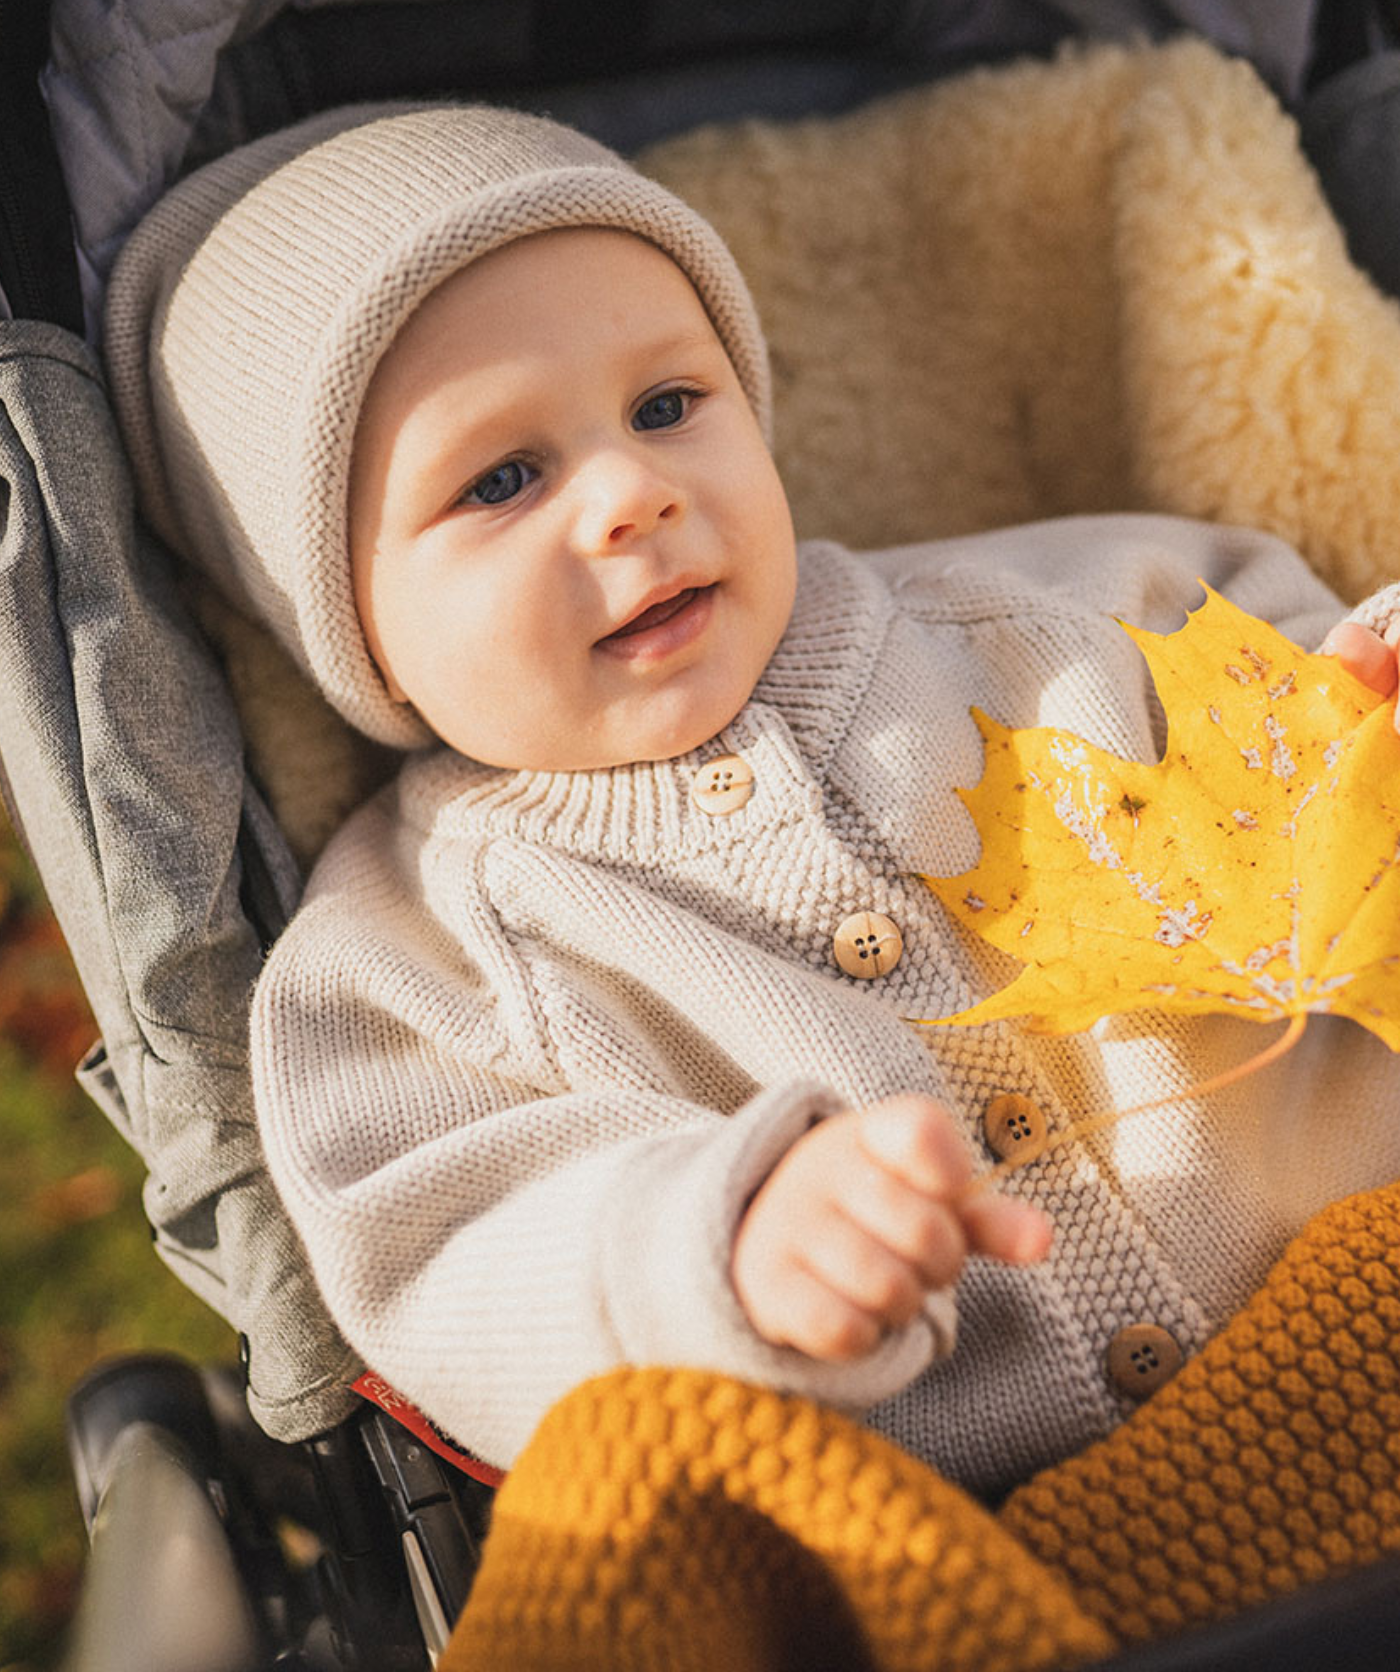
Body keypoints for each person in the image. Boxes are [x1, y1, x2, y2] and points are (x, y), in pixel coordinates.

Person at [103, 102, 1400, 1496]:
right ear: (341, 624)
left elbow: (1308, 706)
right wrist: (717, 1249)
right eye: (501, 479)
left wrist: (1364, 708)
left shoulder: (1074, 610)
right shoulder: (404, 966)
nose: (630, 495)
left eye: (667, 406)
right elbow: (449, 1253)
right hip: (959, 1545)